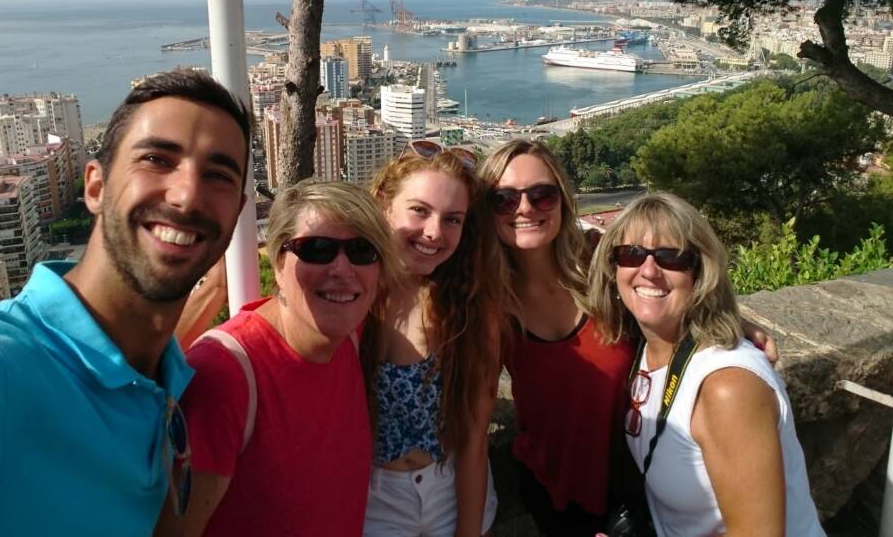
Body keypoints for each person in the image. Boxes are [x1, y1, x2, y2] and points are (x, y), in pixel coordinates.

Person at [0, 69, 251, 536]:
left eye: (218, 175)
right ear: (95, 187)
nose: (187, 195)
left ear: (239, 212)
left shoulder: (166, 377)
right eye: (157, 159)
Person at [478, 139, 778, 537]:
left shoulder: (603, 264)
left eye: (541, 195)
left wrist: (729, 322)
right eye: (503, 198)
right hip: (555, 489)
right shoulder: (491, 303)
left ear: (563, 200)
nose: (525, 209)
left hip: (641, 482)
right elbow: (473, 419)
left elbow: (668, 294)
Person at [157, 180, 402, 537]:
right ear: (278, 260)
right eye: (317, 249)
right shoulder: (225, 375)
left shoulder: (352, 336)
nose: (342, 269)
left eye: (363, 251)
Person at [587, 192, 824, 536]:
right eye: (632, 254)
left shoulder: (727, 387)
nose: (649, 270)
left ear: (700, 271)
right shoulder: (648, 345)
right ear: (614, 268)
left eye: (672, 258)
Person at [362, 142, 507, 537]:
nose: (434, 232)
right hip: (373, 500)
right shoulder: (352, 297)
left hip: (451, 490)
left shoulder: (471, 308)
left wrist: (468, 530)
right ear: (383, 205)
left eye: (452, 219)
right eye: (419, 210)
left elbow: (475, 440)